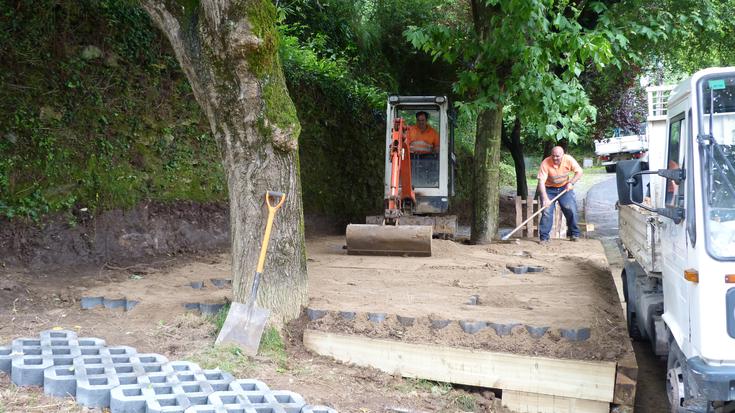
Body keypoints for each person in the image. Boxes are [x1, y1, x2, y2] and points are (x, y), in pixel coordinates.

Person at [537, 146, 583, 244]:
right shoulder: (545, 163)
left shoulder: (569, 159)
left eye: (557, 156)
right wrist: (545, 198)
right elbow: (541, 182)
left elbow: (579, 172)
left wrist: (571, 183)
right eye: (553, 156)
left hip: (564, 187)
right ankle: (544, 238)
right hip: (549, 189)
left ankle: (574, 234)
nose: (555, 158)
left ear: (563, 155)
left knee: (571, 209)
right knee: (546, 212)